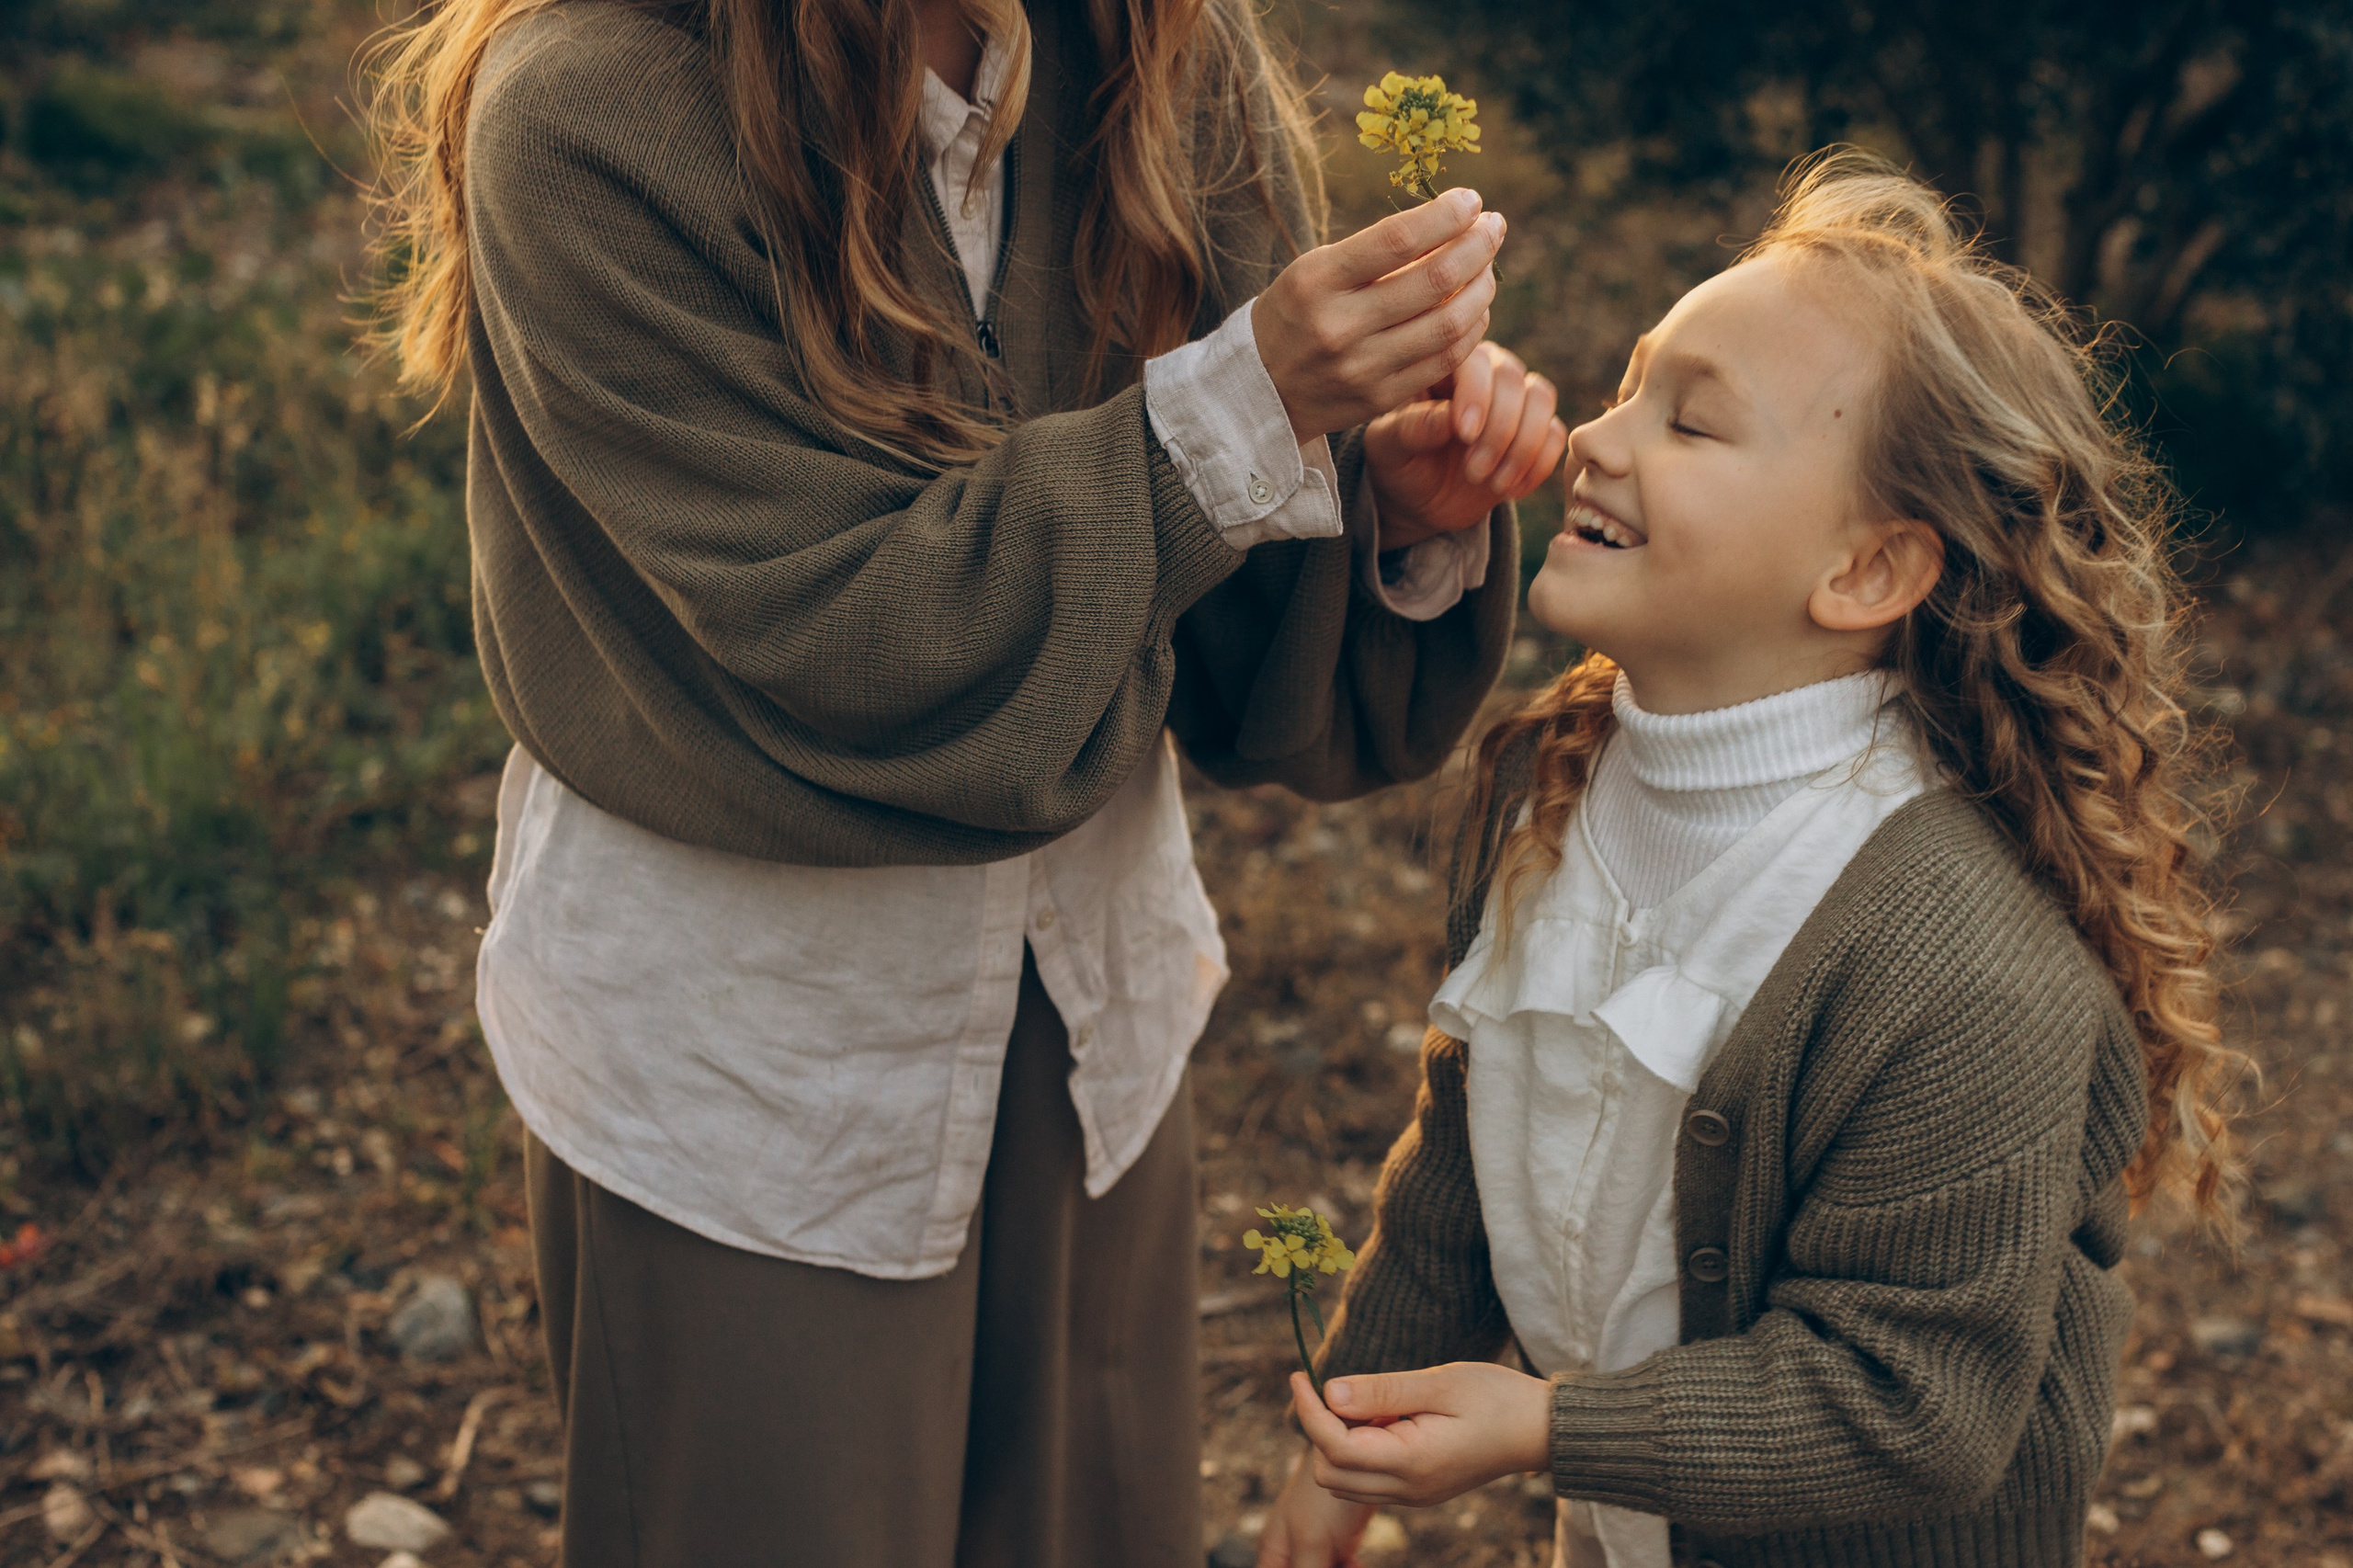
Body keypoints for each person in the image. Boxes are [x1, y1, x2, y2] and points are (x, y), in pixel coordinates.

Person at [362, 0, 1568, 1563]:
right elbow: (845, 643)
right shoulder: (590, 109)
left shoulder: (1152, 57)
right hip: (759, 1078)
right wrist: (1235, 409)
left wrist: (1393, 513)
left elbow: (1245, 660)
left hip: (1088, 1029)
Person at [1255, 151, 2238, 1568]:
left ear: (1866, 573)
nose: (1596, 437)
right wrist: (1341, 1449)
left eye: (1692, 424)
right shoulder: (1563, 793)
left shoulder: (1961, 962)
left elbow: (1914, 1402)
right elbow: (1460, 1178)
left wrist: (1547, 1428)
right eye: (1629, 388)